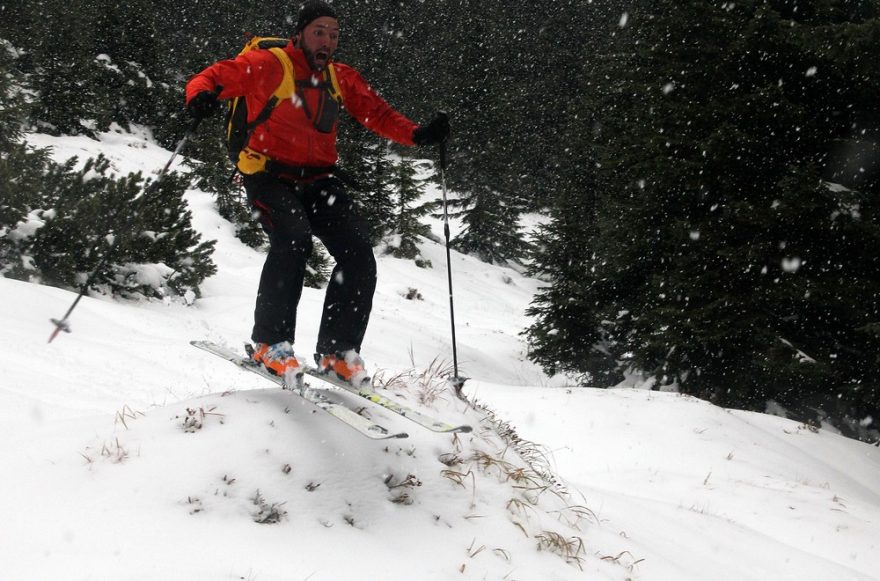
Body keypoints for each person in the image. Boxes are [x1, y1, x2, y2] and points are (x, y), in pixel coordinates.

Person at [185, 1, 449, 387]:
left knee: (358, 252)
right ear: (300, 34)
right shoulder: (271, 64)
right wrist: (201, 96)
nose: (327, 40)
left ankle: (337, 352)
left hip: (318, 181)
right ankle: (269, 344)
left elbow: (376, 113)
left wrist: (417, 134)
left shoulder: (340, 77)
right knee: (292, 238)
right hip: (266, 175)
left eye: (334, 34)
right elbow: (211, 77)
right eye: (319, 32)